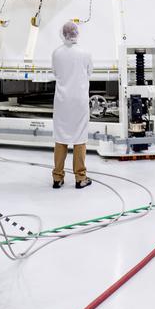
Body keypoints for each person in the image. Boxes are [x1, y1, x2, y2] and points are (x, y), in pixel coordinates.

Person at [50, 21, 92, 189]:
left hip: (62, 100)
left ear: (63, 34)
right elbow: (90, 72)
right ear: (76, 34)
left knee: (60, 137)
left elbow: (55, 72)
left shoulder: (56, 53)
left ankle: (57, 178)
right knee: (79, 138)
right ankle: (80, 178)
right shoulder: (85, 53)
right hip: (79, 100)